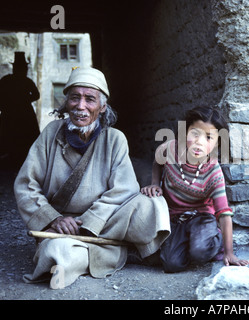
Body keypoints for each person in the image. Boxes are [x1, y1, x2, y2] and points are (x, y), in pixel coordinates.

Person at [14, 67, 170, 289]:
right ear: (66, 102)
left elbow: (124, 189)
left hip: (104, 221)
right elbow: (26, 184)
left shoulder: (115, 139)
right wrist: (53, 219)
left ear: (102, 106)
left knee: (152, 205)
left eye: (90, 99)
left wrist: (89, 222)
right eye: (75, 98)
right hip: (61, 227)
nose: (81, 106)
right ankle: (111, 251)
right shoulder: (50, 133)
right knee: (56, 250)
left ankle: (92, 248)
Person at [141, 106, 249, 272]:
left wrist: (229, 253)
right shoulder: (170, 149)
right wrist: (155, 183)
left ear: (217, 143)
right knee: (171, 264)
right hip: (174, 216)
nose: (200, 142)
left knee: (200, 251)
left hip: (201, 216)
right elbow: (157, 162)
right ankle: (187, 243)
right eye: (195, 133)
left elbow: (224, 213)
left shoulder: (213, 172)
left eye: (208, 137)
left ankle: (214, 239)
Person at [0, 52, 40, 167]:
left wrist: (9, 100)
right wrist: (25, 99)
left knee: (12, 134)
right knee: (22, 134)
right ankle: (18, 158)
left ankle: (13, 157)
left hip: (10, 112)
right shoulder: (26, 81)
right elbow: (36, 95)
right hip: (23, 112)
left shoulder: (7, 80)